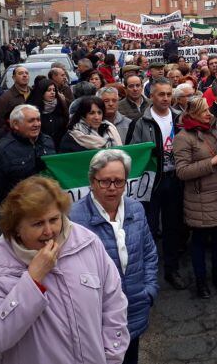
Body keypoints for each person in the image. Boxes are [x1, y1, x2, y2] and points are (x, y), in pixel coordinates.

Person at [0, 176, 129, 364]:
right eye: (38, 224)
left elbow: (114, 305)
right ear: (16, 228)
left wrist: (112, 358)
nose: (49, 231)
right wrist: (32, 280)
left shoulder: (87, 243)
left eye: (54, 219)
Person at [69, 150, 158, 364]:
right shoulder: (73, 219)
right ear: (92, 181)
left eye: (118, 182)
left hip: (136, 307)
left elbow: (149, 253)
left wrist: (149, 291)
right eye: (105, 182)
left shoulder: (136, 209)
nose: (112, 188)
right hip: (96, 319)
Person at [124, 78, 186, 291]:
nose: (166, 98)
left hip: (175, 180)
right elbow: (131, 155)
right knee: (147, 228)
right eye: (161, 94)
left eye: (169, 94)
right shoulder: (140, 122)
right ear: (151, 96)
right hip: (151, 184)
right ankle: (145, 273)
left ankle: (172, 270)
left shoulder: (180, 119)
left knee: (172, 227)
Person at [173, 96, 217, 299]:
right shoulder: (183, 137)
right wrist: (210, 162)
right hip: (200, 199)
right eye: (204, 110)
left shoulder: (215, 130)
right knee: (198, 242)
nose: (209, 113)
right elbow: (182, 171)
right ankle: (201, 282)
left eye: (208, 110)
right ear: (193, 114)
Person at [0, 105, 56, 202]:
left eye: (38, 120)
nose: (37, 124)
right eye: (31, 121)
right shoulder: (0, 151)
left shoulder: (48, 141)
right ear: (15, 124)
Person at [28, 78, 69, 149]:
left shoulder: (61, 106)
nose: (52, 92)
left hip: (60, 148)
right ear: (41, 92)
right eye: (48, 90)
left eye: (54, 90)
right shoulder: (32, 110)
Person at [0, 65, 31, 130]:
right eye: (20, 73)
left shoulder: (34, 93)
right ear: (14, 78)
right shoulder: (5, 98)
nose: (25, 75)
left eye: (26, 73)